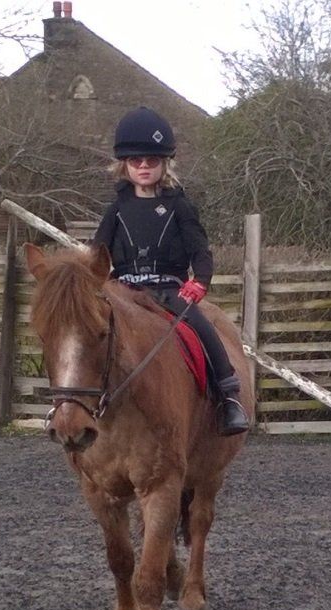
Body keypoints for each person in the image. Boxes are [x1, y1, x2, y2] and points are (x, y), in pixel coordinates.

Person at [92, 106, 250, 437]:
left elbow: (201, 252)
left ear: (164, 163)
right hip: (125, 292)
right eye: (137, 161)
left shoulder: (180, 207)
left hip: (170, 291)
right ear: (125, 165)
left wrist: (199, 283)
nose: (144, 166)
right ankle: (78, 403)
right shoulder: (116, 210)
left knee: (204, 329)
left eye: (152, 160)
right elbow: (98, 255)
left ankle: (229, 397)